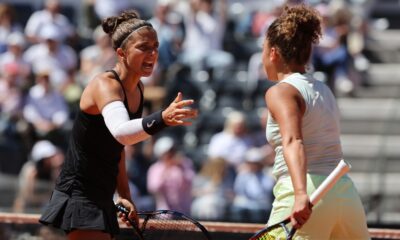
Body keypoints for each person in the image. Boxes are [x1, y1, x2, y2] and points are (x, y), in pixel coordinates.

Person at [39, 10, 197, 240]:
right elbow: (122, 134)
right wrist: (162, 118)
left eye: (155, 46)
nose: (153, 53)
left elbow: (117, 147)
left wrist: (125, 195)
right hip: (81, 193)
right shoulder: (104, 85)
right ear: (121, 53)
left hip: (102, 192)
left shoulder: (138, 90)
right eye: (144, 47)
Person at [261, 4, 369, 239]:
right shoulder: (325, 90)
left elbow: (293, 141)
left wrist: (300, 194)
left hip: (306, 194)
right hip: (344, 194)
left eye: (263, 49)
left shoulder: (280, 92)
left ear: (273, 53)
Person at [147, 136, 195, 215]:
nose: (171, 154)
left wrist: (181, 168)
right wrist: (166, 171)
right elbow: (154, 188)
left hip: (184, 212)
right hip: (164, 213)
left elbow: (190, 182)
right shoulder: (155, 169)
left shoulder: (185, 163)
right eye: (168, 152)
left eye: (172, 150)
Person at [13, 140, 64, 213]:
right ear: (42, 159)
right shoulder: (31, 171)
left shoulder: (53, 171)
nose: (53, 159)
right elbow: (27, 196)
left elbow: (55, 193)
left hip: (43, 207)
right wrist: (45, 198)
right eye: (50, 157)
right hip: (28, 208)